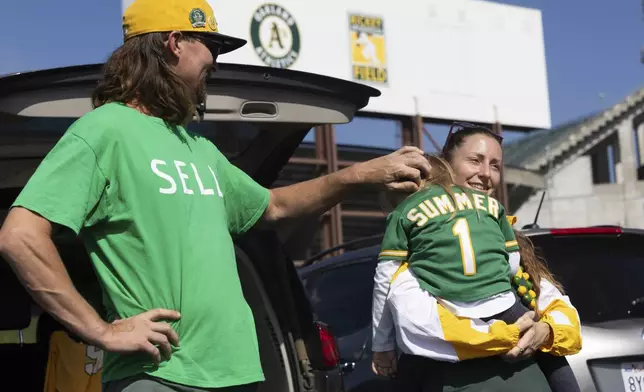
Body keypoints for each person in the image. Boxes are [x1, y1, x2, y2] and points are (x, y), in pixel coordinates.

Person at [0, 0, 431, 391]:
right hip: (161, 376)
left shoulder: (198, 147)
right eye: (211, 46)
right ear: (174, 42)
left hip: (238, 374)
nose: (216, 63)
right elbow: (20, 236)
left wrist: (359, 175)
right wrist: (101, 330)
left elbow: (274, 206)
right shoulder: (105, 130)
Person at [371, 122, 582, 391]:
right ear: (446, 165)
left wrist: (547, 331)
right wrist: (508, 336)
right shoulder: (418, 254)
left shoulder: (503, 232)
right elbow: (424, 324)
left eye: (495, 165)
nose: (486, 174)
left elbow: (559, 308)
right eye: (475, 160)